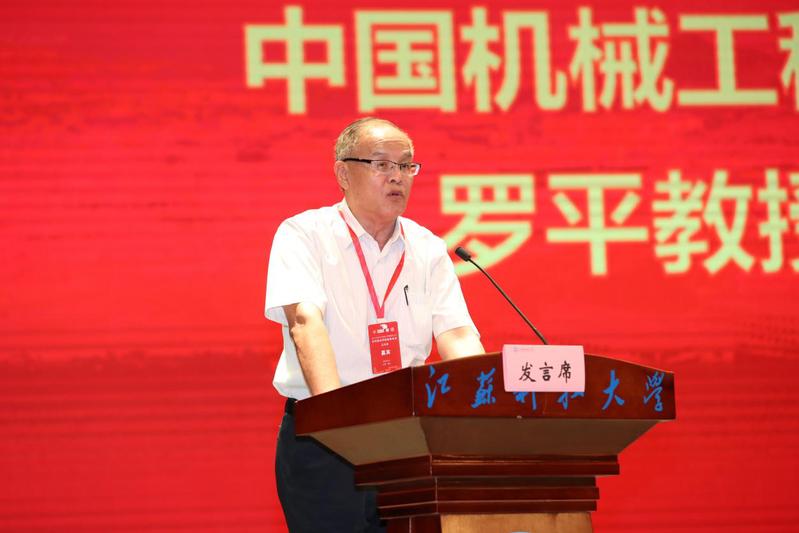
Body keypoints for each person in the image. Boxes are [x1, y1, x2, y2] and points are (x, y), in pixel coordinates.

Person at [264, 117, 484, 532]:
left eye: (406, 165)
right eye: (382, 164)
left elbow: (456, 335)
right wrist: (337, 420)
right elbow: (305, 323)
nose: (397, 176)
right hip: (324, 440)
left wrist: (485, 406)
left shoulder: (427, 248)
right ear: (343, 173)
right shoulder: (304, 235)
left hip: (407, 440)